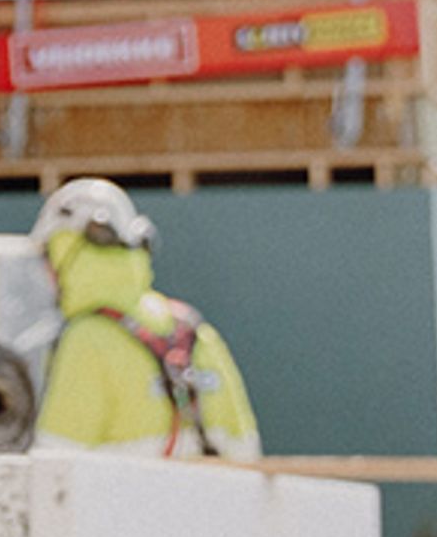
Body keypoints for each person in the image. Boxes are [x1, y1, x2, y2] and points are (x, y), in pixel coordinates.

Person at [26, 177, 261, 460]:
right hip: (212, 502)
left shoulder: (87, 338)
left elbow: (55, 465)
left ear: (64, 254)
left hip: (124, 504)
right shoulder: (193, 330)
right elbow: (247, 452)